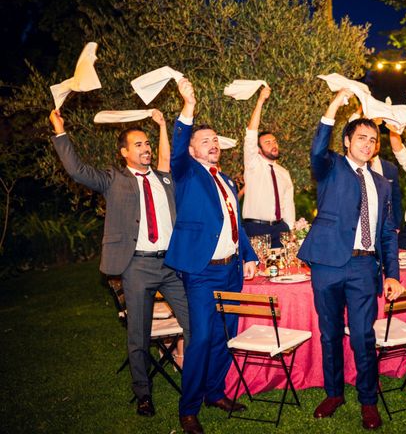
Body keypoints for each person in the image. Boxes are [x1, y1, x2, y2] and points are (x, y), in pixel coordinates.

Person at [49, 107, 189, 417]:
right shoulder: (113, 179)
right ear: (124, 152)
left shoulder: (164, 180)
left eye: (147, 143)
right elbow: (77, 170)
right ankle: (143, 394)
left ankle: (194, 384)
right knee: (138, 335)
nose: (146, 148)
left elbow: (167, 158)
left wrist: (163, 125)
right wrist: (60, 131)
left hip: (170, 266)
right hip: (136, 266)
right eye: (138, 144)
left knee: (194, 324)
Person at [297, 88, 403, 430]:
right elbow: (316, 149)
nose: (368, 144)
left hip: (364, 267)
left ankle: (368, 401)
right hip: (327, 264)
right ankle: (333, 393)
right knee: (329, 333)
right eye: (361, 138)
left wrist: (393, 274)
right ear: (346, 141)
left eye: (373, 140)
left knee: (362, 335)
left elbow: (388, 233)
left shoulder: (382, 184)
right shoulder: (330, 167)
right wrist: (331, 108)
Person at [164, 79, 258, 434]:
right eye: (206, 140)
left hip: (231, 271)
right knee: (201, 337)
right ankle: (188, 409)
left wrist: (247, 256)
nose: (214, 143)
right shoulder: (186, 173)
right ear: (192, 150)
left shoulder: (227, 181)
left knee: (223, 335)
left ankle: (215, 392)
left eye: (216, 140)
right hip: (201, 272)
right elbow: (175, 147)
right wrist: (187, 106)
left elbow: (238, 224)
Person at [242, 84, 295, 248]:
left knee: (282, 270)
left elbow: (288, 203)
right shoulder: (252, 164)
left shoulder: (283, 172)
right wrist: (260, 101)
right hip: (256, 228)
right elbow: (251, 134)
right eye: (267, 142)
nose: (273, 144)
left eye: (275, 141)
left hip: (280, 229)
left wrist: (290, 229)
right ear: (258, 150)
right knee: (257, 272)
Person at [369, 138, 403, 230]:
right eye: (372, 141)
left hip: (386, 225)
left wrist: (397, 226)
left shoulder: (391, 168)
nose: (375, 144)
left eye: (377, 141)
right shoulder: (358, 167)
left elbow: (396, 199)